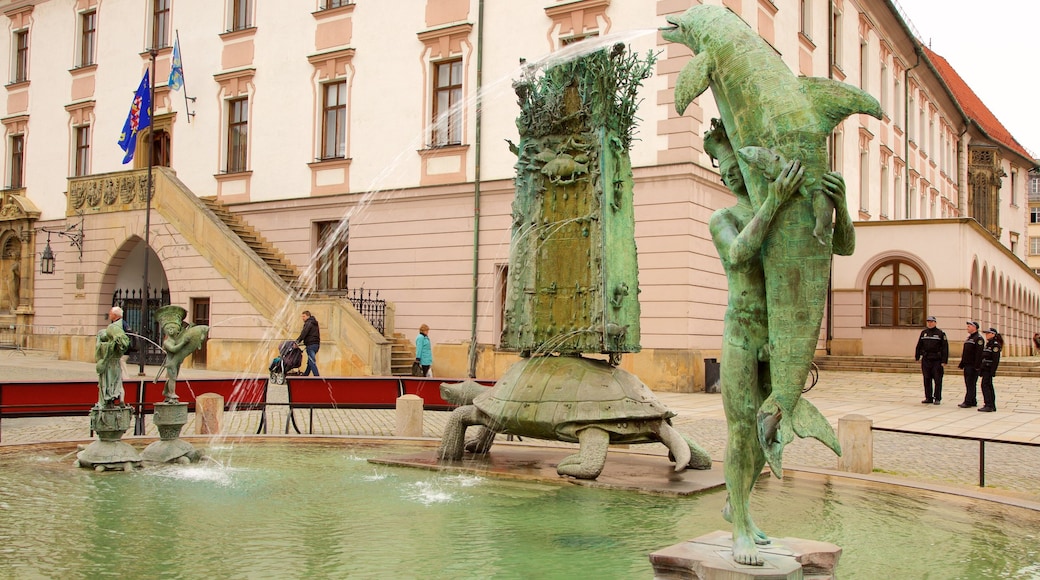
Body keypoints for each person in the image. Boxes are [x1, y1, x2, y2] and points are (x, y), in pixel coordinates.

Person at [704, 118, 853, 566]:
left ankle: (739, 503)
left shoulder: (785, 208)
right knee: (741, 428)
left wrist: (839, 207)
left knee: (769, 432)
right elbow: (739, 255)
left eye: (736, 166)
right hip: (741, 334)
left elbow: (838, 247)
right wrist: (772, 200)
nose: (731, 175)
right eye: (723, 168)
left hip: (777, 338)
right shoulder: (725, 217)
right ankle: (741, 528)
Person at [156, 305, 209, 403]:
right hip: (171, 362)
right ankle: (171, 394)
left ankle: (166, 392)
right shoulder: (167, 341)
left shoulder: (175, 338)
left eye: (174, 328)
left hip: (176, 361)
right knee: (172, 378)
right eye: (169, 328)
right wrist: (183, 343)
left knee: (172, 377)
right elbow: (174, 349)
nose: (171, 330)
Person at [95, 306, 130, 407]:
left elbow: (103, 348)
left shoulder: (114, 327)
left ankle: (109, 398)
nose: (109, 314)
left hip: (112, 360)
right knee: (118, 380)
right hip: (117, 357)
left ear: (115, 315)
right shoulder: (121, 325)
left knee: (109, 381)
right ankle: (120, 398)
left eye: (110, 313)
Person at [915, 315, 948, 404]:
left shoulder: (940, 333)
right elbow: (919, 345)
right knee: (927, 378)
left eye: (931, 322)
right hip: (926, 359)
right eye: (928, 322)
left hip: (936, 360)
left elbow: (945, 347)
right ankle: (928, 397)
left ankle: (937, 398)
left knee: (937, 379)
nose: (929, 323)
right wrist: (917, 356)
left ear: (935, 323)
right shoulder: (924, 333)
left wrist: (944, 360)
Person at [957, 321, 985, 408]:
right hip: (967, 364)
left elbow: (979, 354)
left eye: (969, 326)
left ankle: (968, 401)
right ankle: (972, 400)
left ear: (975, 327)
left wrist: (977, 366)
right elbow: (965, 352)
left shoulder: (978, 339)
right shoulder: (969, 338)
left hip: (973, 365)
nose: (967, 327)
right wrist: (962, 363)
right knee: (969, 383)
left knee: (971, 383)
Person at [978, 327, 1002, 412]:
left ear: (993, 334)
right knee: (987, 385)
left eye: (988, 333)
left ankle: (989, 405)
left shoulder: (995, 345)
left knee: (986, 386)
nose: (986, 335)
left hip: (989, 368)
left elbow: (996, 360)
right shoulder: (988, 344)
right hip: (985, 368)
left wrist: (993, 371)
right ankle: (991, 404)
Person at [296, 310, 321, 376]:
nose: (302, 318)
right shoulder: (314, 323)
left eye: (304, 316)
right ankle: (306, 375)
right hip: (316, 344)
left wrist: (297, 341)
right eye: (302, 316)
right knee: (310, 361)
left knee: (312, 361)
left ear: (308, 316)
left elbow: (304, 333)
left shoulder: (309, 323)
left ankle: (317, 376)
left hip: (311, 344)